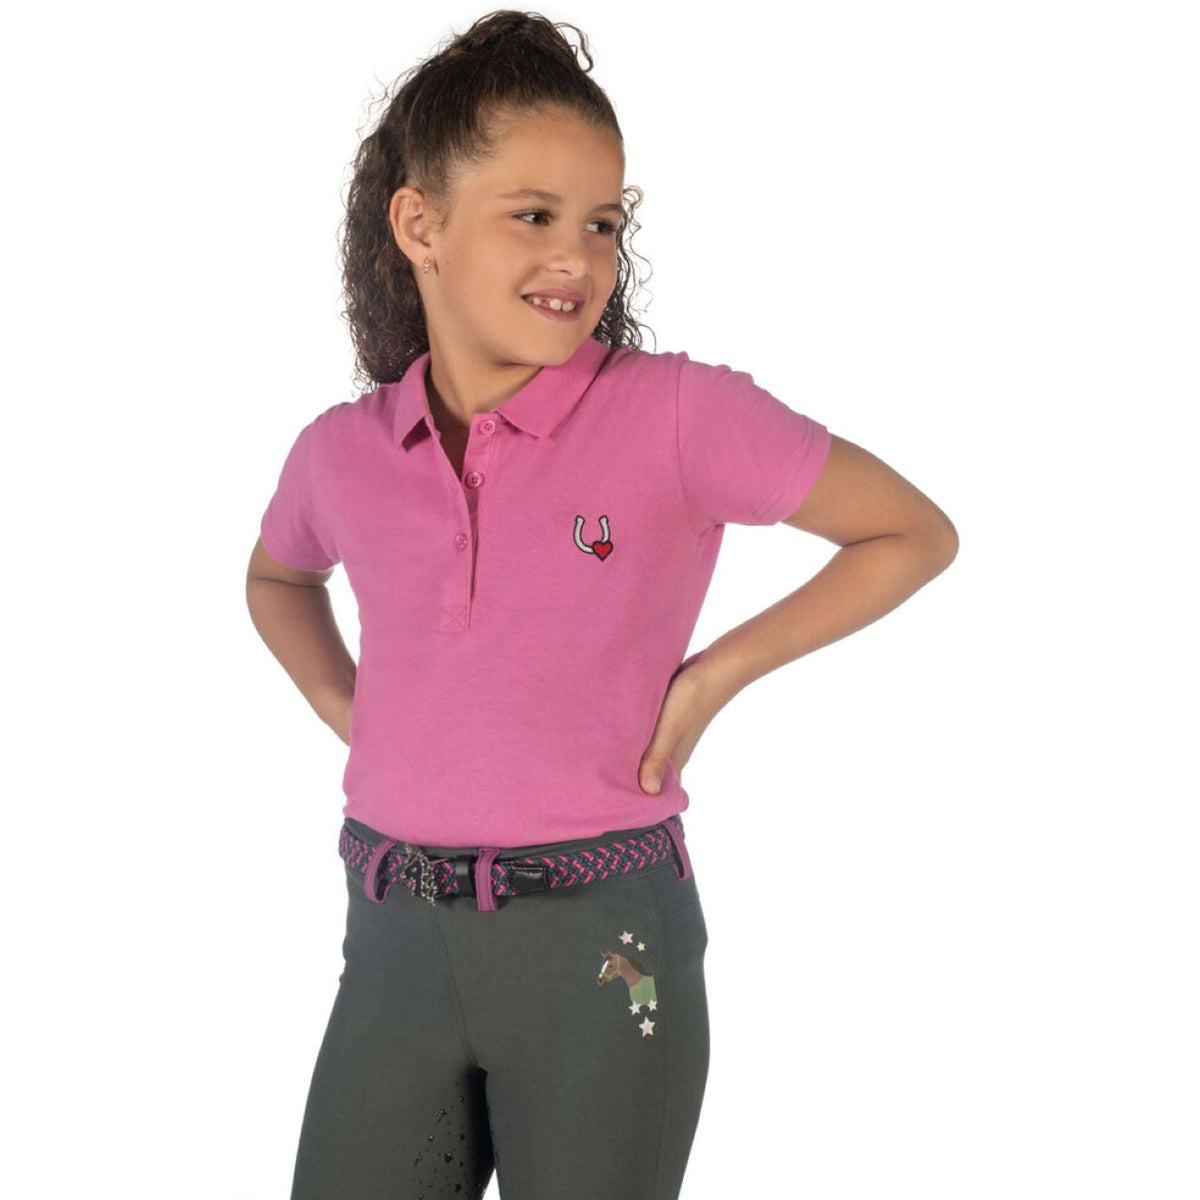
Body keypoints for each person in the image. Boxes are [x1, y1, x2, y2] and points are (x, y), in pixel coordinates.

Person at [246, 11, 959, 1200]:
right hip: (393, 945)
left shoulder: (677, 415)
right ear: (420, 225)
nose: (577, 256)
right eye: (534, 216)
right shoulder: (342, 452)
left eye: (603, 222)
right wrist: (346, 706)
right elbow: (278, 578)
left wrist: (714, 676)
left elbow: (910, 532)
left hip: (602, 947)